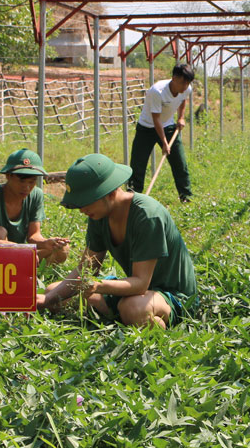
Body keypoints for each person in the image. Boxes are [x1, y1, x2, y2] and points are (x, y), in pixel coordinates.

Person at [37, 153, 198, 329]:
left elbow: (140, 284)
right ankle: (127, 319)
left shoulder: (147, 216)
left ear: (110, 192)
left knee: (134, 308)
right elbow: (87, 269)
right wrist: (47, 299)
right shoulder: (98, 215)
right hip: (134, 292)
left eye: (86, 202)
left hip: (171, 295)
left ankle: (149, 326)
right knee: (54, 293)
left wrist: (98, 285)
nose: (82, 209)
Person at [0, 148, 69, 263]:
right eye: (21, 181)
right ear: (8, 176)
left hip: (21, 252)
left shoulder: (36, 195)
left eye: (31, 182)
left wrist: (45, 243)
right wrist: (15, 248)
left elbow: (33, 235)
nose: (26, 187)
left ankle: (28, 268)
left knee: (62, 250)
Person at [129, 63, 195, 202]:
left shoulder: (186, 89)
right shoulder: (157, 91)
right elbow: (156, 119)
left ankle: (186, 196)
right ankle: (132, 198)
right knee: (138, 164)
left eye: (187, 83)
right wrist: (165, 143)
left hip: (168, 126)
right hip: (147, 128)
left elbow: (183, 100)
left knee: (179, 163)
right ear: (174, 78)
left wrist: (181, 117)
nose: (185, 86)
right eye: (182, 82)